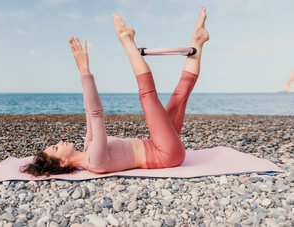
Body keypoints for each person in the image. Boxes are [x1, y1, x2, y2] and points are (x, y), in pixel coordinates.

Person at [21, 7, 209, 176]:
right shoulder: (94, 161)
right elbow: (97, 114)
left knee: (178, 97)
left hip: (158, 144)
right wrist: (84, 70)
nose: (60, 142)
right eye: (56, 147)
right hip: (165, 153)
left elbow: (89, 111)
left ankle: (198, 41)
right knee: (147, 97)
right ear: (63, 162)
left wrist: (83, 71)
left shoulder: (89, 147)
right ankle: (127, 39)